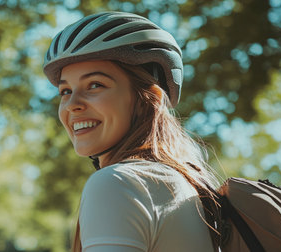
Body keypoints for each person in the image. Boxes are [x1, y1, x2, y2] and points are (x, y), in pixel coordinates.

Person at [42, 12, 222, 252]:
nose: (73, 103)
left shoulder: (118, 183)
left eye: (95, 85)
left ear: (149, 100)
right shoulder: (187, 184)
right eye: (65, 91)